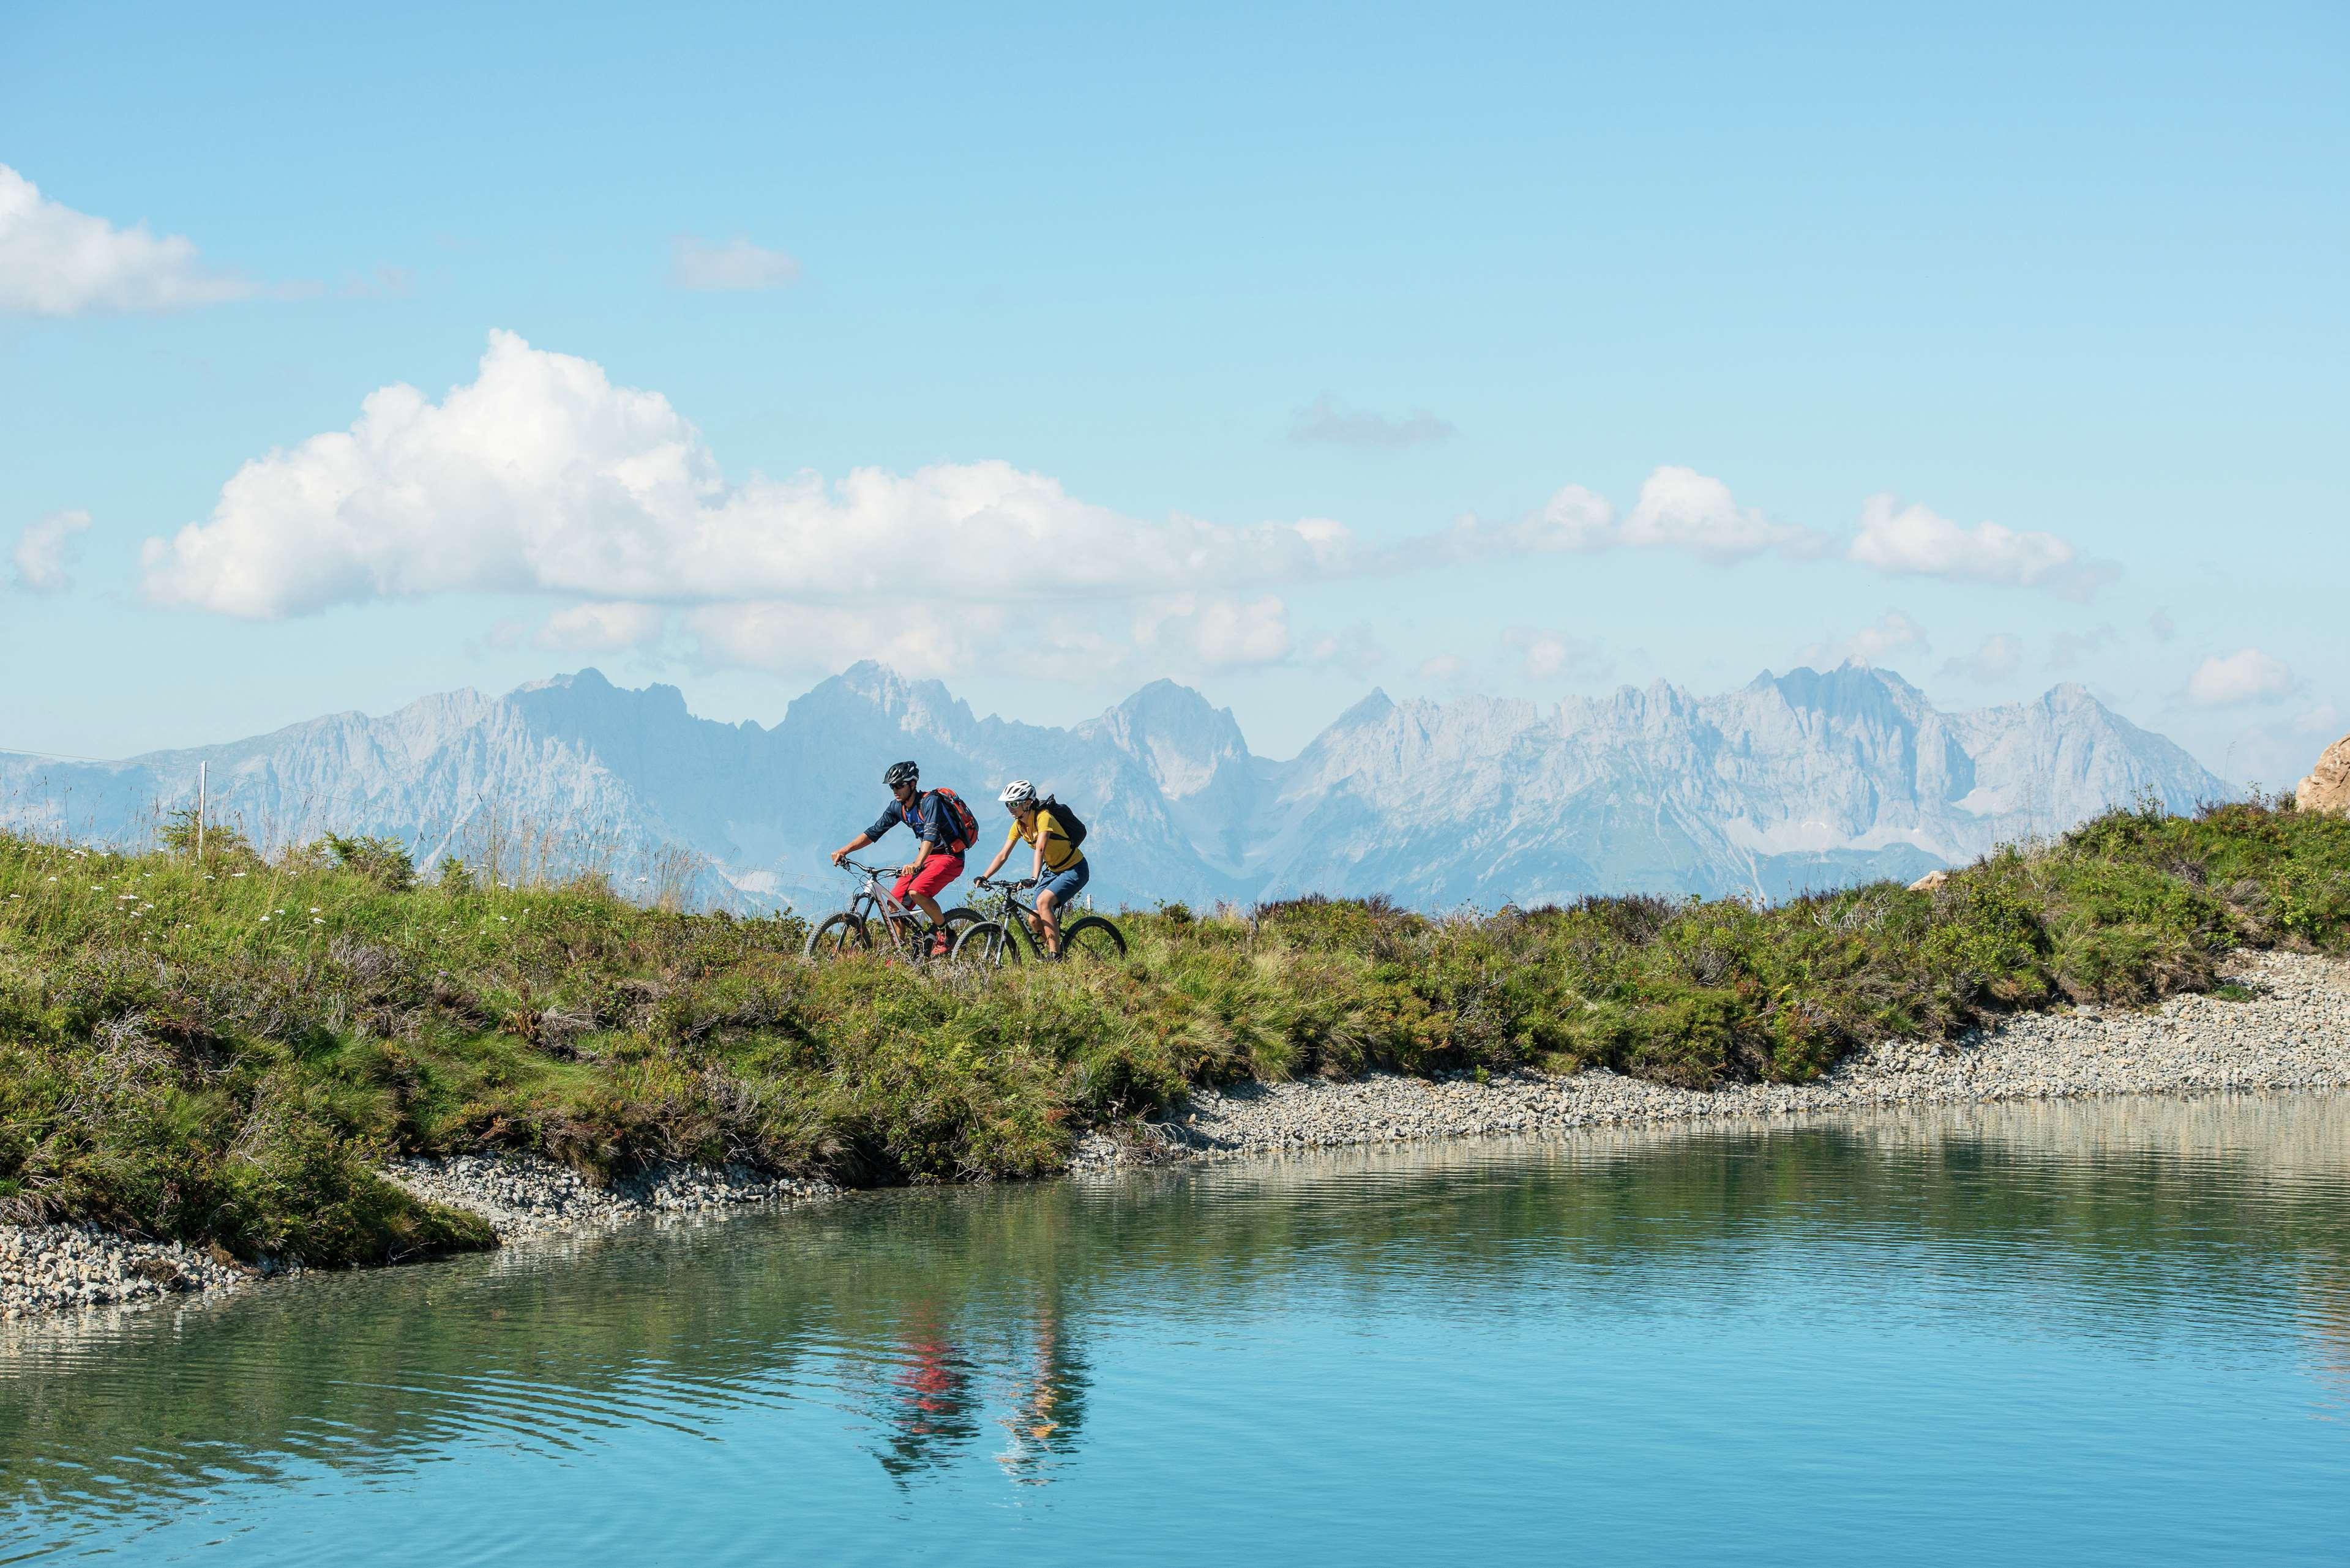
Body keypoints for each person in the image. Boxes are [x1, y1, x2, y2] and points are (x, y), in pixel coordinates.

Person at [832, 760, 967, 957]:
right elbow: (874, 832)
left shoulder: (930, 802)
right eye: (892, 786)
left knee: (917, 891)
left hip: (950, 856)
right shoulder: (898, 807)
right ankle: (901, 955)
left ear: (912, 784)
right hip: (927, 856)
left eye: (899, 785)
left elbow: (930, 835)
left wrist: (917, 864)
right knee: (894, 905)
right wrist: (845, 850)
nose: (895, 790)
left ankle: (947, 936)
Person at [977, 780, 1087, 958]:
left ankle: (1055, 956)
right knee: (1033, 919)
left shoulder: (1043, 818)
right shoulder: (1019, 825)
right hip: (1052, 871)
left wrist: (1034, 877)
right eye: (1007, 804)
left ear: (1028, 803)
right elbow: (1003, 854)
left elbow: (1040, 849)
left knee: (1044, 903)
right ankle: (1057, 956)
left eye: (1014, 803)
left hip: (1074, 869)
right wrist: (984, 876)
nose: (1009, 808)